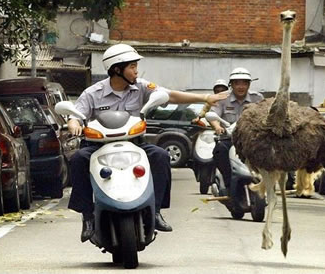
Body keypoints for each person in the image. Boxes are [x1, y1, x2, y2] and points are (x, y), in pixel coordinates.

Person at [67, 44, 227, 242]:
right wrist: (73, 123)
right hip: (98, 146)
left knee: (160, 156)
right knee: (78, 159)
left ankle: (157, 211)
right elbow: (76, 113)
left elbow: (170, 95)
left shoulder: (141, 87)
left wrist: (205, 98)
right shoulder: (93, 92)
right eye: (132, 66)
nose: (136, 71)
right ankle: (88, 217)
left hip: (134, 144)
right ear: (117, 69)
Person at [209, 67, 264, 197]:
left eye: (244, 83)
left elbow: (265, 115)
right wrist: (217, 126)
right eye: (237, 83)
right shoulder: (222, 98)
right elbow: (213, 115)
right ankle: (228, 182)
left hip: (251, 140)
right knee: (219, 150)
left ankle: (264, 182)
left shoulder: (258, 98)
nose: (241, 86)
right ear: (231, 84)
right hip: (229, 139)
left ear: (249, 84)